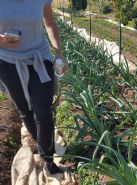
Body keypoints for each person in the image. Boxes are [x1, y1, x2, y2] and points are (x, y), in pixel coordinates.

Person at [0, 0, 68, 175]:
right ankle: (40, 142)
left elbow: (50, 24)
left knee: (43, 111)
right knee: (25, 109)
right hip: (7, 61)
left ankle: (47, 158)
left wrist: (59, 52)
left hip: (39, 57)